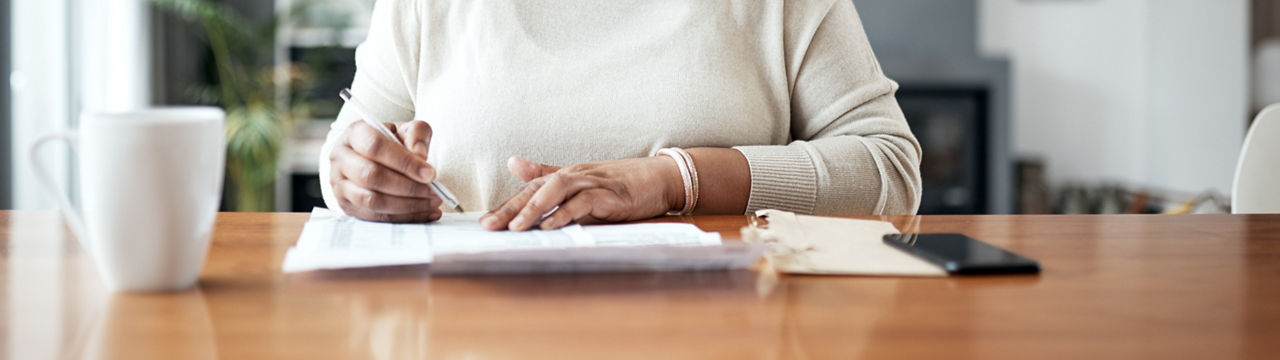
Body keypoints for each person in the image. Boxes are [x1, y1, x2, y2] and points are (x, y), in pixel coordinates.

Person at [319, 0, 922, 231]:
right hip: (465, 337)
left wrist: (675, 180)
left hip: (730, 338)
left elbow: (887, 169)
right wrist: (355, 175)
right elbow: (353, 144)